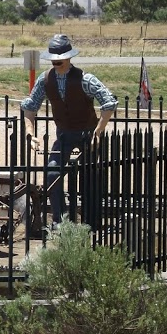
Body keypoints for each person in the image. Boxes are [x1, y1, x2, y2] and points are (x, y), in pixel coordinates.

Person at [21, 34, 117, 231]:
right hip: (63, 136)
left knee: (90, 178)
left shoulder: (85, 79)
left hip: (87, 137)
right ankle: (61, 222)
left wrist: (98, 131)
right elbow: (30, 107)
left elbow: (109, 103)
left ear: (69, 57)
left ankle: (91, 222)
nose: (57, 61)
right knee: (52, 173)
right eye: (54, 57)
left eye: (60, 57)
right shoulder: (45, 80)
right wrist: (30, 134)